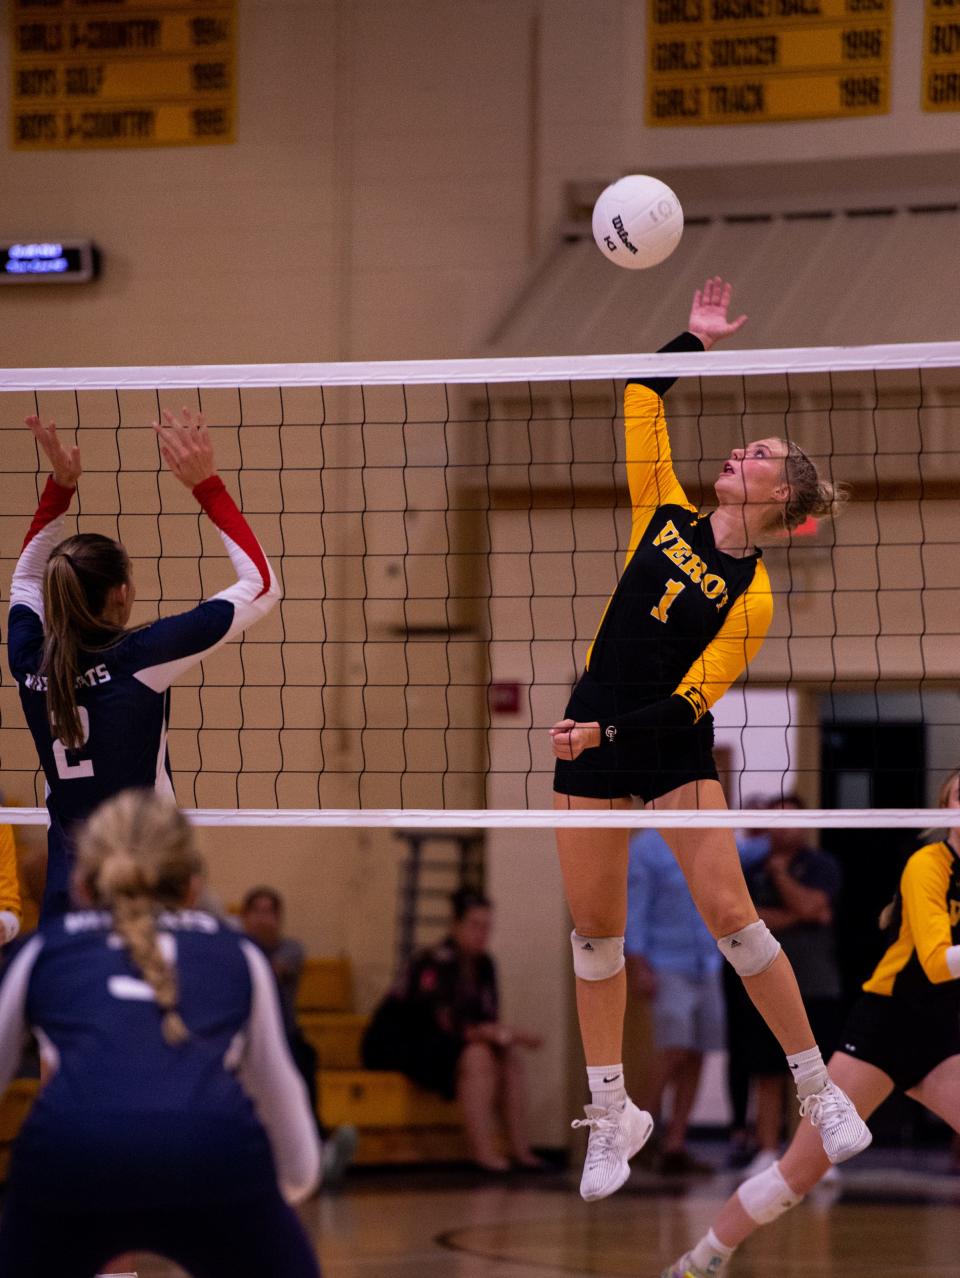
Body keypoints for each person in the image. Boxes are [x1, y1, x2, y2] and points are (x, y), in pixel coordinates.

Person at [550, 277, 868, 1202]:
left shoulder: (754, 593)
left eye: (759, 454)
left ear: (783, 497)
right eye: (745, 446)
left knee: (736, 919)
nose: (739, 452)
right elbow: (641, 398)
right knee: (595, 939)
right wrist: (693, 338)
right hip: (592, 742)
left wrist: (607, 728)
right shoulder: (663, 512)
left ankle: (817, 1087)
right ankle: (614, 1114)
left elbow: (693, 702)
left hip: (662, 745)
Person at [0, 789, 320, 1278]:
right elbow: (286, 1115)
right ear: (192, 887)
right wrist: (274, 1200)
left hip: (73, 1155)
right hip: (212, 1152)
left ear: (82, 884)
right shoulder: (240, 954)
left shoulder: (42, 952)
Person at [664, 765, 960, 1278]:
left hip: (945, 1034)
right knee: (795, 1177)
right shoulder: (927, 863)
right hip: (885, 1029)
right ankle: (703, 1258)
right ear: (942, 808)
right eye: (959, 796)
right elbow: (936, 963)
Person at [7, 410, 280, 917]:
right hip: (143, 877)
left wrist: (60, 489)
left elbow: (24, 582)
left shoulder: (27, 662)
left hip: (72, 885)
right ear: (122, 593)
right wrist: (208, 486)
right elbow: (262, 586)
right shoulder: (139, 657)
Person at [363, 887, 545, 1172]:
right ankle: (484, 1154)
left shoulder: (485, 965)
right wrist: (513, 1033)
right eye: (475, 925)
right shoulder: (434, 961)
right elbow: (447, 1025)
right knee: (477, 1057)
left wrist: (505, 1036)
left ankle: (521, 1151)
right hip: (403, 1042)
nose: (482, 933)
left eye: (487, 927)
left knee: (508, 1057)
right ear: (456, 925)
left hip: (443, 1043)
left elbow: (485, 1021)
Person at [729, 795, 844, 1176]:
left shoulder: (822, 864)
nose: (784, 826)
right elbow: (746, 919)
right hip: (764, 983)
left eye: (792, 819)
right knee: (767, 1070)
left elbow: (816, 907)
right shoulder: (748, 866)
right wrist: (802, 913)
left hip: (817, 983)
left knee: (818, 1072)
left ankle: (815, 1156)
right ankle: (766, 1151)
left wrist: (782, 879)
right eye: (777, 819)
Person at [241, 885, 357, 1184]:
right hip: (246, 1039)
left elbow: (269, 971)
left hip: (284, 1037)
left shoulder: (290, 950)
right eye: (258, 912)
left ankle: (318, 1149)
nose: (264, 919)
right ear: (245, 916)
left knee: (304, 1057)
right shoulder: (237, 950)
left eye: (270, 912)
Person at [625, 828, 723, 1174]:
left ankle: (675, 1145)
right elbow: (633, 909)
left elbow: (745, 854)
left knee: (698, 1051)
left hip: (707, 961)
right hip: (666, 963)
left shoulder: (708, 835)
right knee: (674, 1049)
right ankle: (633, 1138)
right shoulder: (647, 847)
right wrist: (637, 964)